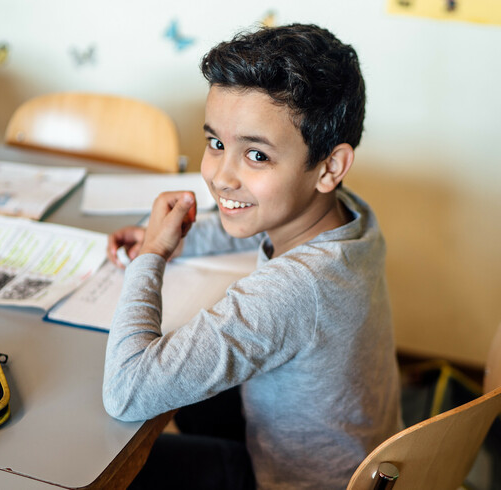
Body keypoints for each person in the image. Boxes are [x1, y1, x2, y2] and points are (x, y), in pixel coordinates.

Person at [103, 23, 401, 490]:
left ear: (330, 167)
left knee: (116, 465)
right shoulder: (351, 218)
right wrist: (182, 235)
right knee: (191, 397)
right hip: (348, 457)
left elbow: (127, 392)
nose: (222, 177)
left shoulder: (291, 290)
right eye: (217, 143)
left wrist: (154, 256)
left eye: (256, 156)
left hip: (290, 479)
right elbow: (264, 216)